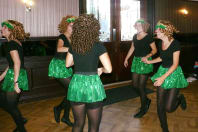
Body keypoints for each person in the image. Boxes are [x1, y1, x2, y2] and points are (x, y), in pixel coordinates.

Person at [66, 14, 112, 132]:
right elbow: (109, 69)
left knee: (78, 123)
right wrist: (101, 69)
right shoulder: (98, 46)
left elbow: (68, 64)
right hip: (93, 85)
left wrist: (79, 59)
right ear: (94, 28)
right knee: (93, 126)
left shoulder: (74, 45)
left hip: (76, 83)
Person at [143, 20, 188, 132]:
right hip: (163, 71)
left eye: (157, 30)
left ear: (164, 31)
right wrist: (150, 61)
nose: (155, 32)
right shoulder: (159, 43)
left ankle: (179, 99)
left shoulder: (175, 44)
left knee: (169, 108)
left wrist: (163, 78)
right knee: (160, 103)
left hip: (173, 73)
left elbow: (175, 64)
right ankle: (165, 128)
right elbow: (162, 58)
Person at [124, 19, 157, 118]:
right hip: (136, 62)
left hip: (145, 62)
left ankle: (143, 108)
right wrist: (126, 58)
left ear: (144, 26)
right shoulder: (135, 36)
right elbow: (132, 48)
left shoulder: (148, 37)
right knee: (134, 85)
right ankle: (146, 99)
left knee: (141, 86)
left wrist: (147, 56)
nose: (137, 27)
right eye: (136, 25)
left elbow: (155, 50)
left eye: (139, 25)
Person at [0, 20, 29, 132]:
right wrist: (2, 77)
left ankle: (21, 128)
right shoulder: (15, 42)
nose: (1, 29)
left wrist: (16, 82)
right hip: (15, 73)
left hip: (15, 76)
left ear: (9, 30)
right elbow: (12, 64)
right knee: (5, 102)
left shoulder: (11, 44)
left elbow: (17, 63)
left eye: (3, 28)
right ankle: (20, 120)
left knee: (11, 106)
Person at [48, 16, 76, 126]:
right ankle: (59, 109)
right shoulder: (62, 37)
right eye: (71, 25)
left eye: (74, 25)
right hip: (58, 66)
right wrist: (73, 49)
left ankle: (63, 114)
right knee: (72, 90)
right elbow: (59, 49)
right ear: (66, 25)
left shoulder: (73, 38)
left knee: (71, 92)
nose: (73, 27)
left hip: (67, 65)